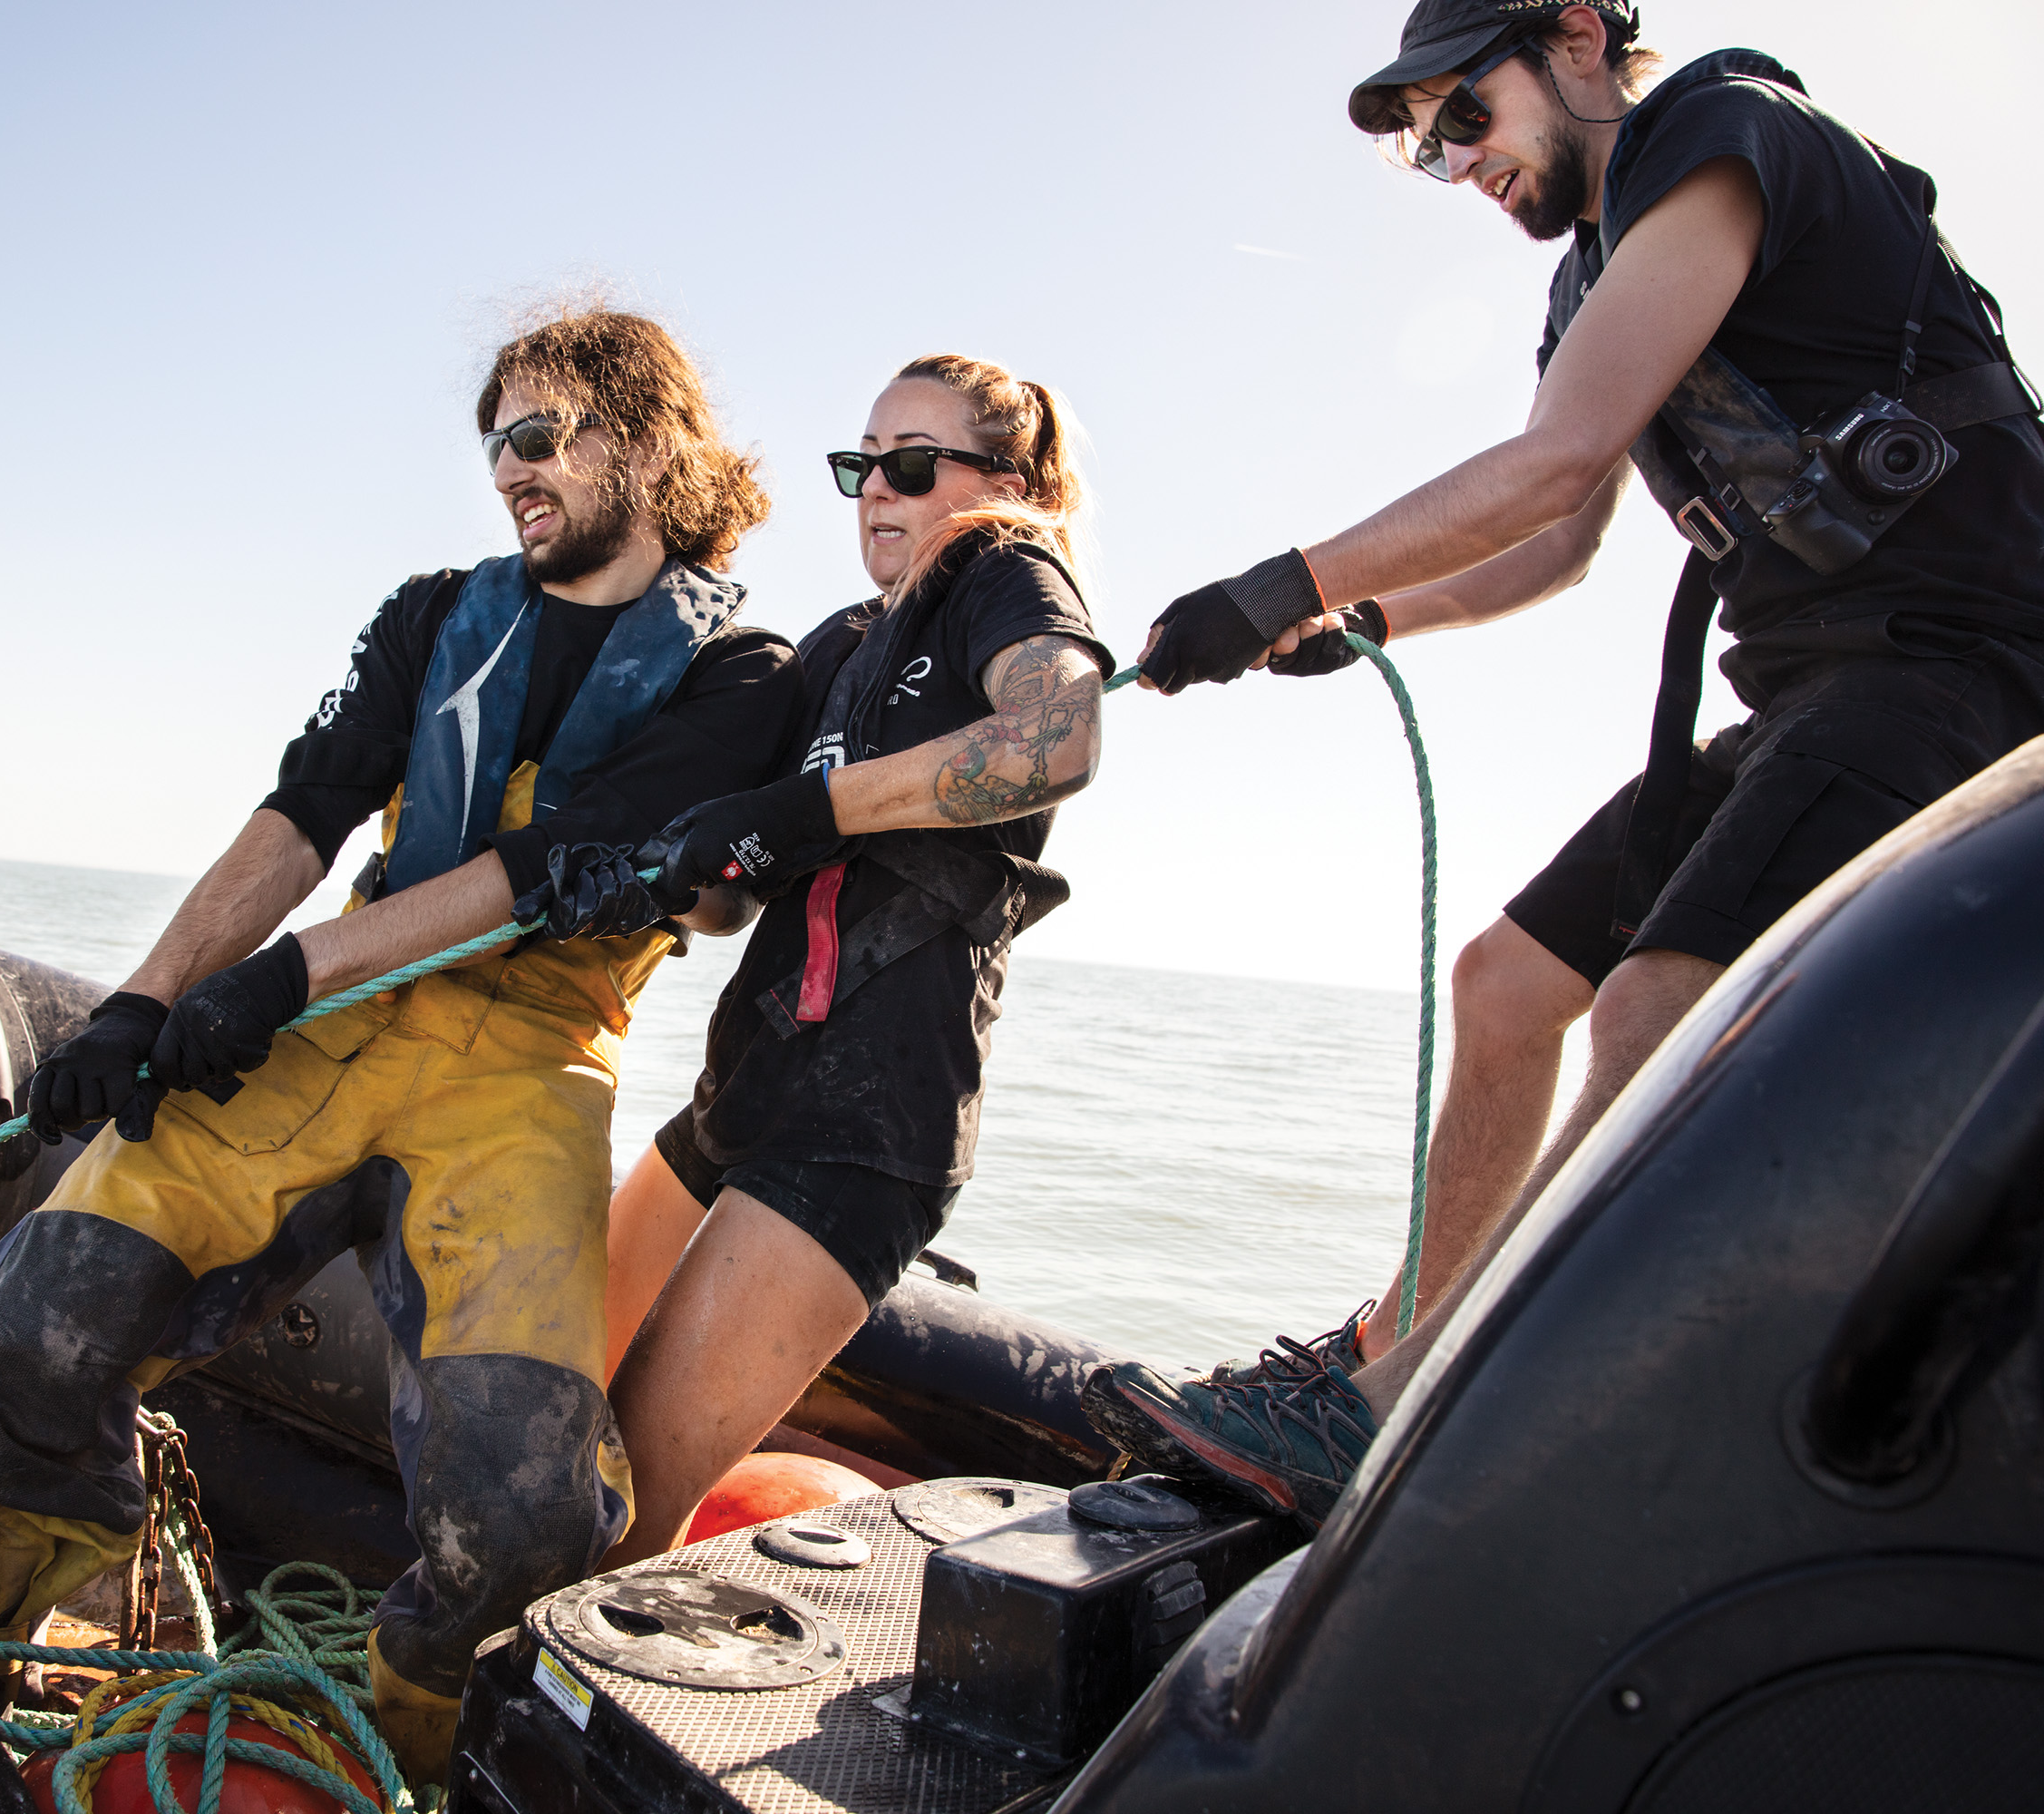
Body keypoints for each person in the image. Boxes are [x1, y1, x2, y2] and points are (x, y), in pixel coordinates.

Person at [1085, 0, 2044, 1528]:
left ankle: (1432, 1414)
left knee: (1659, 998)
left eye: (1464, 116)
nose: (1453, 162)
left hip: (1959, 663)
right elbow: (1562, 543)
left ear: (1581, 37)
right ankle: (1378, 1358)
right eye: (1427, 146)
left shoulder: (1735, 140)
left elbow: (1557, 457)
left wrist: (1284, 583)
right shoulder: (1599, 271)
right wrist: (1372, 616)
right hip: (1808, 689)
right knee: (1507, 984)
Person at [0, 307, 808, 1780]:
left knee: (523, 1513)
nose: (510, 472)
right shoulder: (427, 616)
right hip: (337, 1022)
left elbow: (542, 873)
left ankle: (413, 1751)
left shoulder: (747, 676)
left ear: (647, 445)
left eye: (540, 436)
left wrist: (275, 977)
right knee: (25, 1333)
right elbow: (305, 814)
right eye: (495, 444)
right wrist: (151, 996)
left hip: (528, 1066)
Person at [580, 354, 1113, 1568]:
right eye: (860, 465)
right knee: (549, 1408)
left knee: (613, 1505)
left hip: (869, 1124)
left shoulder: (1002, 568)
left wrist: (813, 813)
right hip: (743, 1092)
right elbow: (731, 900)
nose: (877, 488)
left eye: (912, 464)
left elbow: (1057, 737)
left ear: (1009, 482)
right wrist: (688, 866)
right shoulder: (838, 645)